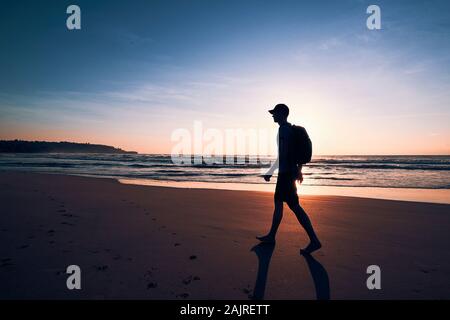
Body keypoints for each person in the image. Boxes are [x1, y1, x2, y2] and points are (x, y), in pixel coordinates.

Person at [257, 103, 322, 254]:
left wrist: (270, 171)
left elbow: (284, 155)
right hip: (289, 173)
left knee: (295, 207)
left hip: (285, 175)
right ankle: (272, 236)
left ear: (282, 113)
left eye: (275, 113)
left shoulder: (284, 130)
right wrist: (299, 170)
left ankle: (314, 240)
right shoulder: (289, 130)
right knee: (280, 203)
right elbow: (295, 154)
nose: (272, 115)